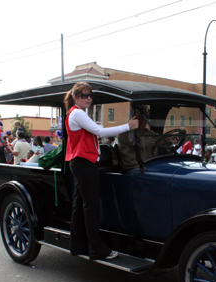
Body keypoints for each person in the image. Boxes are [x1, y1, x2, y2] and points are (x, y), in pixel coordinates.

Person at [64, 82, 138, 261]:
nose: (88, 98)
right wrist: (128, 126)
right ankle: (97, 249)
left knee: (81, 205)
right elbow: (100, 132)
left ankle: (79, 245)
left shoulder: (77, 113)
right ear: (75, 97)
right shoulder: (77, 113)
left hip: (81, 162)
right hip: (83, 163)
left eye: (90, 95)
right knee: (90, 206)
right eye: (84, 95)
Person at [118, 105, 157, 173]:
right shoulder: (127, 133)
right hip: (134, 167)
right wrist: (158, 142)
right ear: (136, 118)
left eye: (147, 117)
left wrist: (170, 139)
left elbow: (158, 138)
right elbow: (143, 142)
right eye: (144, 117)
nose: (146, 120)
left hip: (149, 165)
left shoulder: (147, 132)